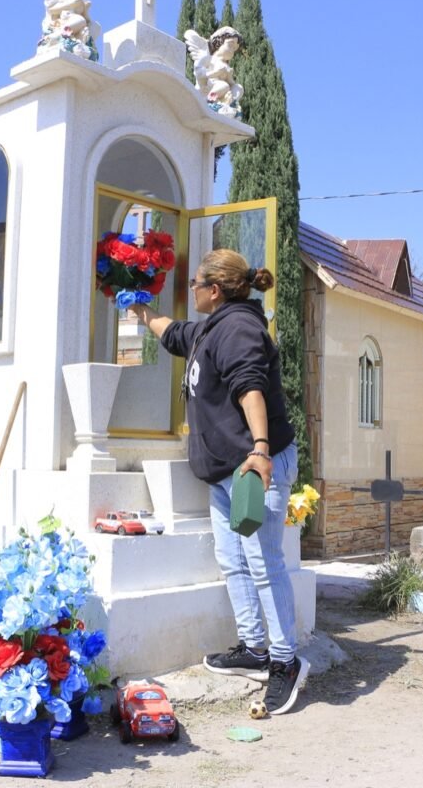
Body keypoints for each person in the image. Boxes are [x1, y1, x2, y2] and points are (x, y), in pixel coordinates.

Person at [130, 248, 309, 716]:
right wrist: (141, 310)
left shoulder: (238, 328)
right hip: (227, 471)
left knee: (262, 562)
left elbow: (249, 387)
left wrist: (261, 449)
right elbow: (171, 333)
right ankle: (254, 648)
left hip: (253, 466)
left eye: (196, 284)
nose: (191, 291)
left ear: (214, 289)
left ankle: (286, 662)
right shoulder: (210, 327)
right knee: (233, 559)